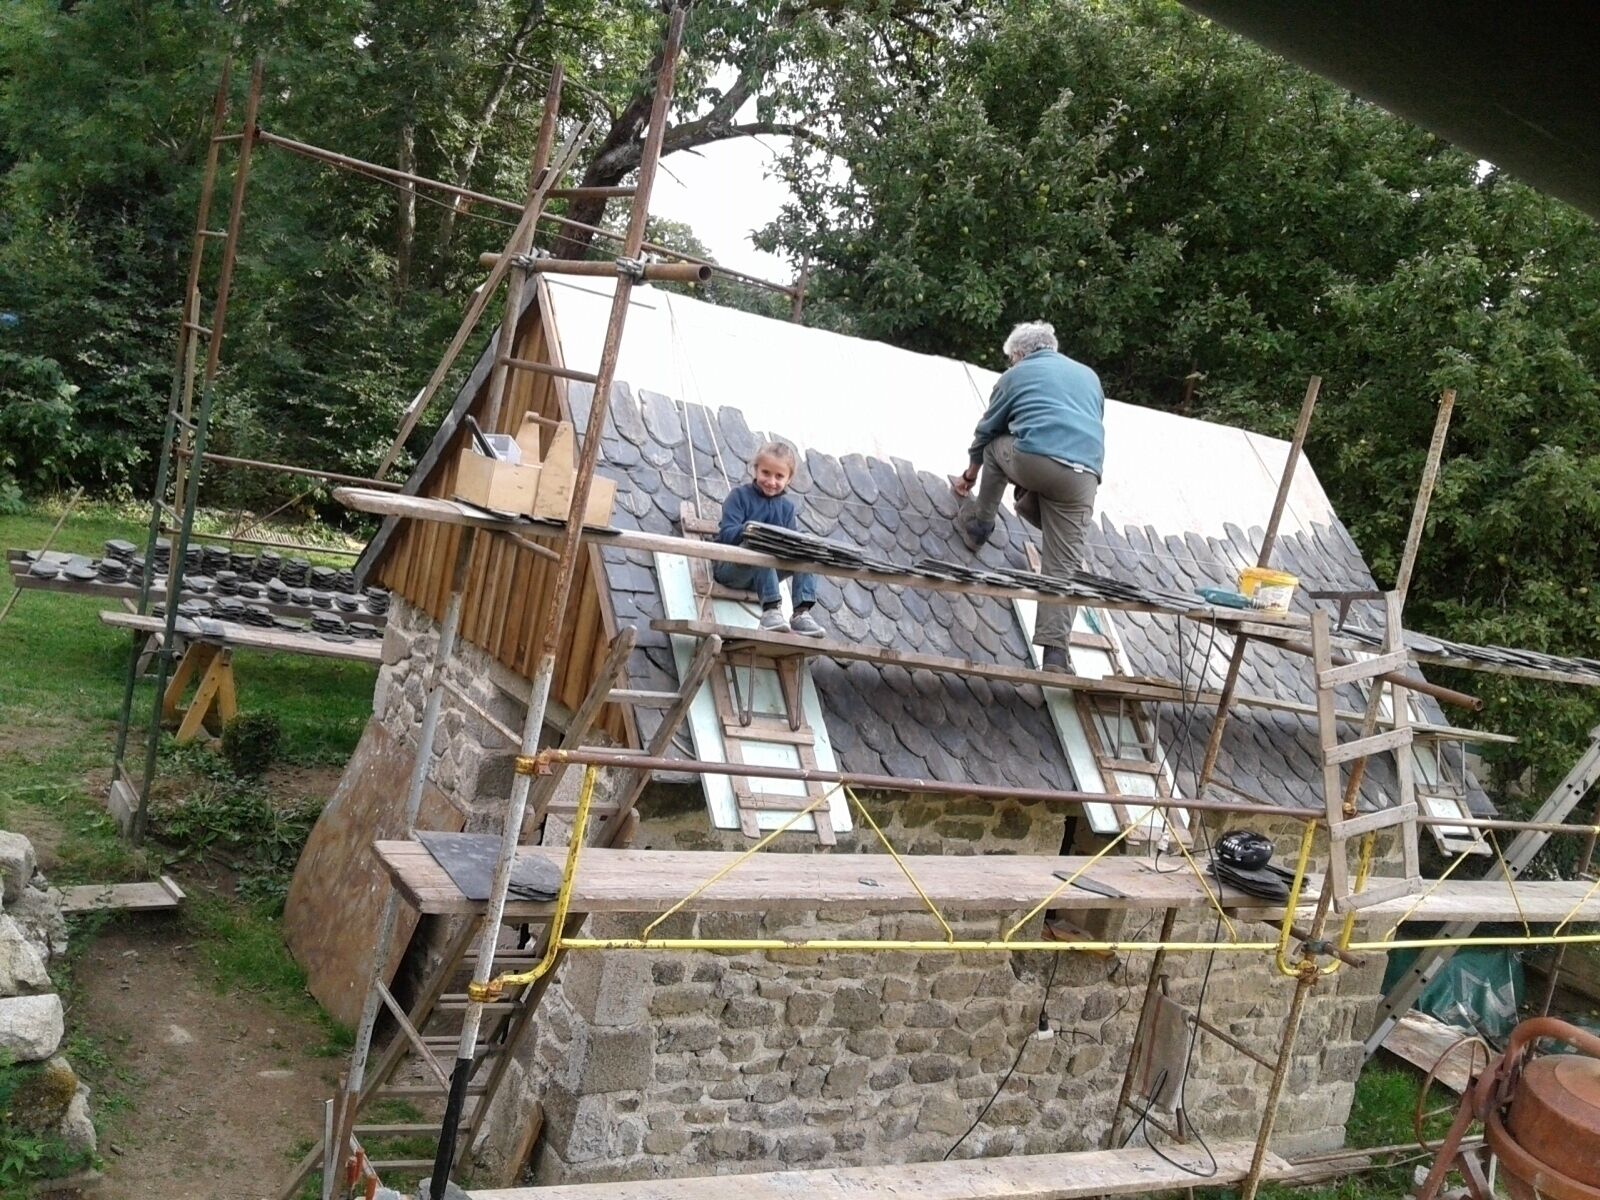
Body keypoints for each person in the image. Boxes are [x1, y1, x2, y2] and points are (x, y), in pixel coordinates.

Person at [953, 321, 1104, 673]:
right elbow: (1080, 428)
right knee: (1063, 567)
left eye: (1011, 360)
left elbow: (987, 430)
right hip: (1085, 476)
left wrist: (969, 475)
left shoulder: (1015, 376)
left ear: (1019, 355)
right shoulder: (1089, 377)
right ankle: (1055, 655)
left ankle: (980, 524)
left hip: (1035, 459)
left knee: (995, 448)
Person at [715, 440, 826, 637]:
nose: (771, 481)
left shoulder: (787, 508)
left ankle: (801, 613)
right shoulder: (739, 496)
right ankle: (771, 612)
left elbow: (792, 550)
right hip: (733, 568)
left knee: (807, 548)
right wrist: (751, 531)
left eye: (779, 476)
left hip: (767, 574)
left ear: (789, 479)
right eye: (766, 473)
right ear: (756, 470)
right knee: (761, 544)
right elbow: (726, 536)